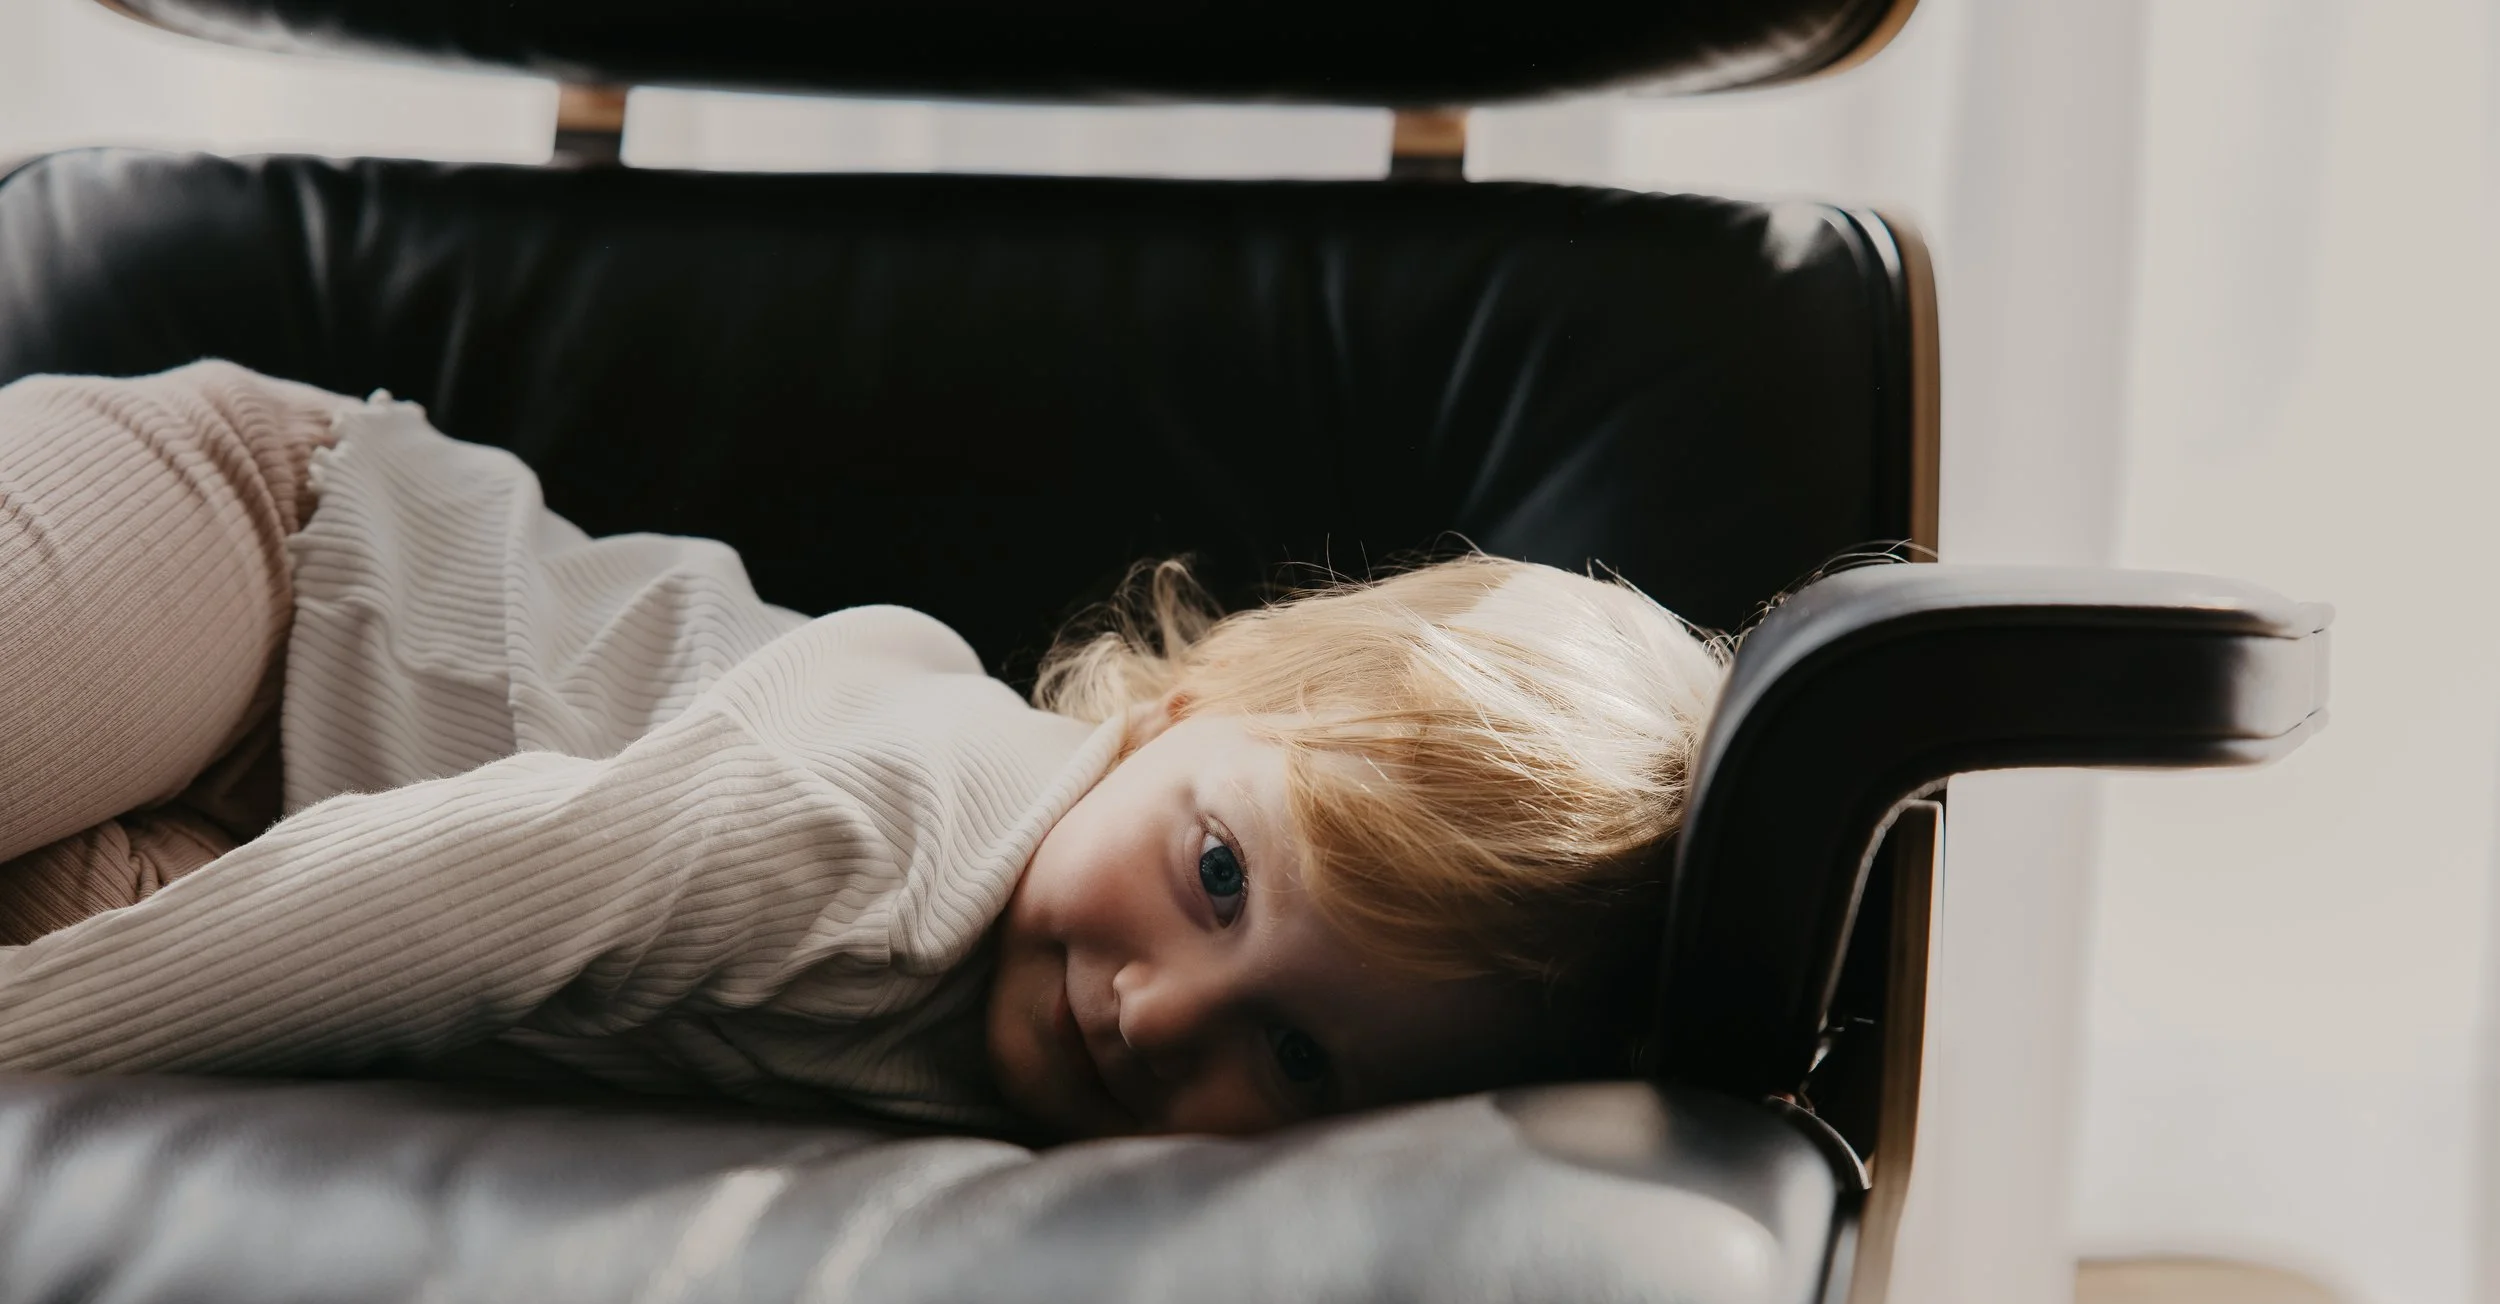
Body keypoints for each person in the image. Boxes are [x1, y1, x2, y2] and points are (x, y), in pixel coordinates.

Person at [0, 361, 1728, 1139]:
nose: (1157, 1014)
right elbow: (441, 904)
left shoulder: (1061, 1130)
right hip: (265, 559)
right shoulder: (875, 811)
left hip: (254, 829)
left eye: (1296, 1063)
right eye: (1216, 875)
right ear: (1187, 711)